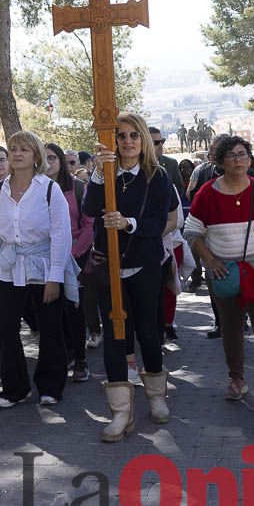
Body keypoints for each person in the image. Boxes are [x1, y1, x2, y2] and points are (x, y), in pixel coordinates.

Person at [82, 113, 176, 442]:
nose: (127, 141)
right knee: (115, 335)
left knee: (149, 332)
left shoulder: (158, 176)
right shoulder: (104, 173)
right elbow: (91, 209)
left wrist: (127, 223)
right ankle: (121, 412)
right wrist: (96, 172)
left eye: (134, 135)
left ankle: (156, 397)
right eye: (120, 136)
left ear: (144, 140)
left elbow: (158, 223)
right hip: (109, 269)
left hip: (144, 266)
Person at [0, 130, 75, 408]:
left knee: (49, 327)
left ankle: (50, 386)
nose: (17, 153)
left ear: (36, 156)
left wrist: (55, 276)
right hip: (9, 268)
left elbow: (61, 234)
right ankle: (15, 388)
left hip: (43, 266)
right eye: (13, 149)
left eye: (24, 149)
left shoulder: (48, 188)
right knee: (6, 327)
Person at [184, 134, 254, 411]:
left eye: (243, 154)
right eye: (232, 155)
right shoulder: (207, 194)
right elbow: (192, 232)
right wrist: (210, 261)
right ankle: (236, 379)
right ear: (220, 161)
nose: (239, 160)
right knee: (231, 329)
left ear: (250, 159)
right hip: (224, 274)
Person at [46, 142, 95, 381]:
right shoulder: (34, 190)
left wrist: (74, 253)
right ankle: (64, 354)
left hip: (76, 256)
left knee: (75, 308)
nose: (48, 163)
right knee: (53, 310)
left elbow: (89, 223)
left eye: (52, 158)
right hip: (45, 258)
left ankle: (81, 360)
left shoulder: (77, 188)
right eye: (42, 159)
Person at [149, 127, 186, 200]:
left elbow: (179, 188)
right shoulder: (137, 164)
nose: (160, 145)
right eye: (156, 143)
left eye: (162, 141)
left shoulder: (171, 163)